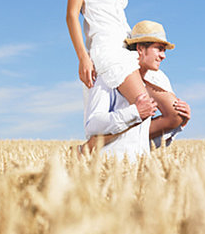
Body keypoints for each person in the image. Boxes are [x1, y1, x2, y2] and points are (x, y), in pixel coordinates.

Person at [80, 20, 191, 160]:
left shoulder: (151, 85)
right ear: (140, 48)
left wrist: (179, 122)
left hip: (136, 168)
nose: (164, 55)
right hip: (107, 167)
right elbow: (92, 124)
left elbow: (141, 139)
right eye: (159, 49)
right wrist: (134, 113)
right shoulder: (109, 77)